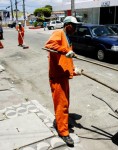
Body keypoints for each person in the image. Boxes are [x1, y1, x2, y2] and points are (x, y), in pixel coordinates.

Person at [44, 16, 82, 146]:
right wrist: (66, 50)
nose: (76, 29)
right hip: (57, 78)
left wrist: (74, 69)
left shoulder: (68, 38)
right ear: (68, 25)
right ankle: (63, 132)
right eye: (74, 26)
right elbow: (49, 45)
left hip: (63, 77)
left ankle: (63, 122)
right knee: (61, 105)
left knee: (65, 103)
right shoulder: (59, 33)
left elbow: (66, 59)